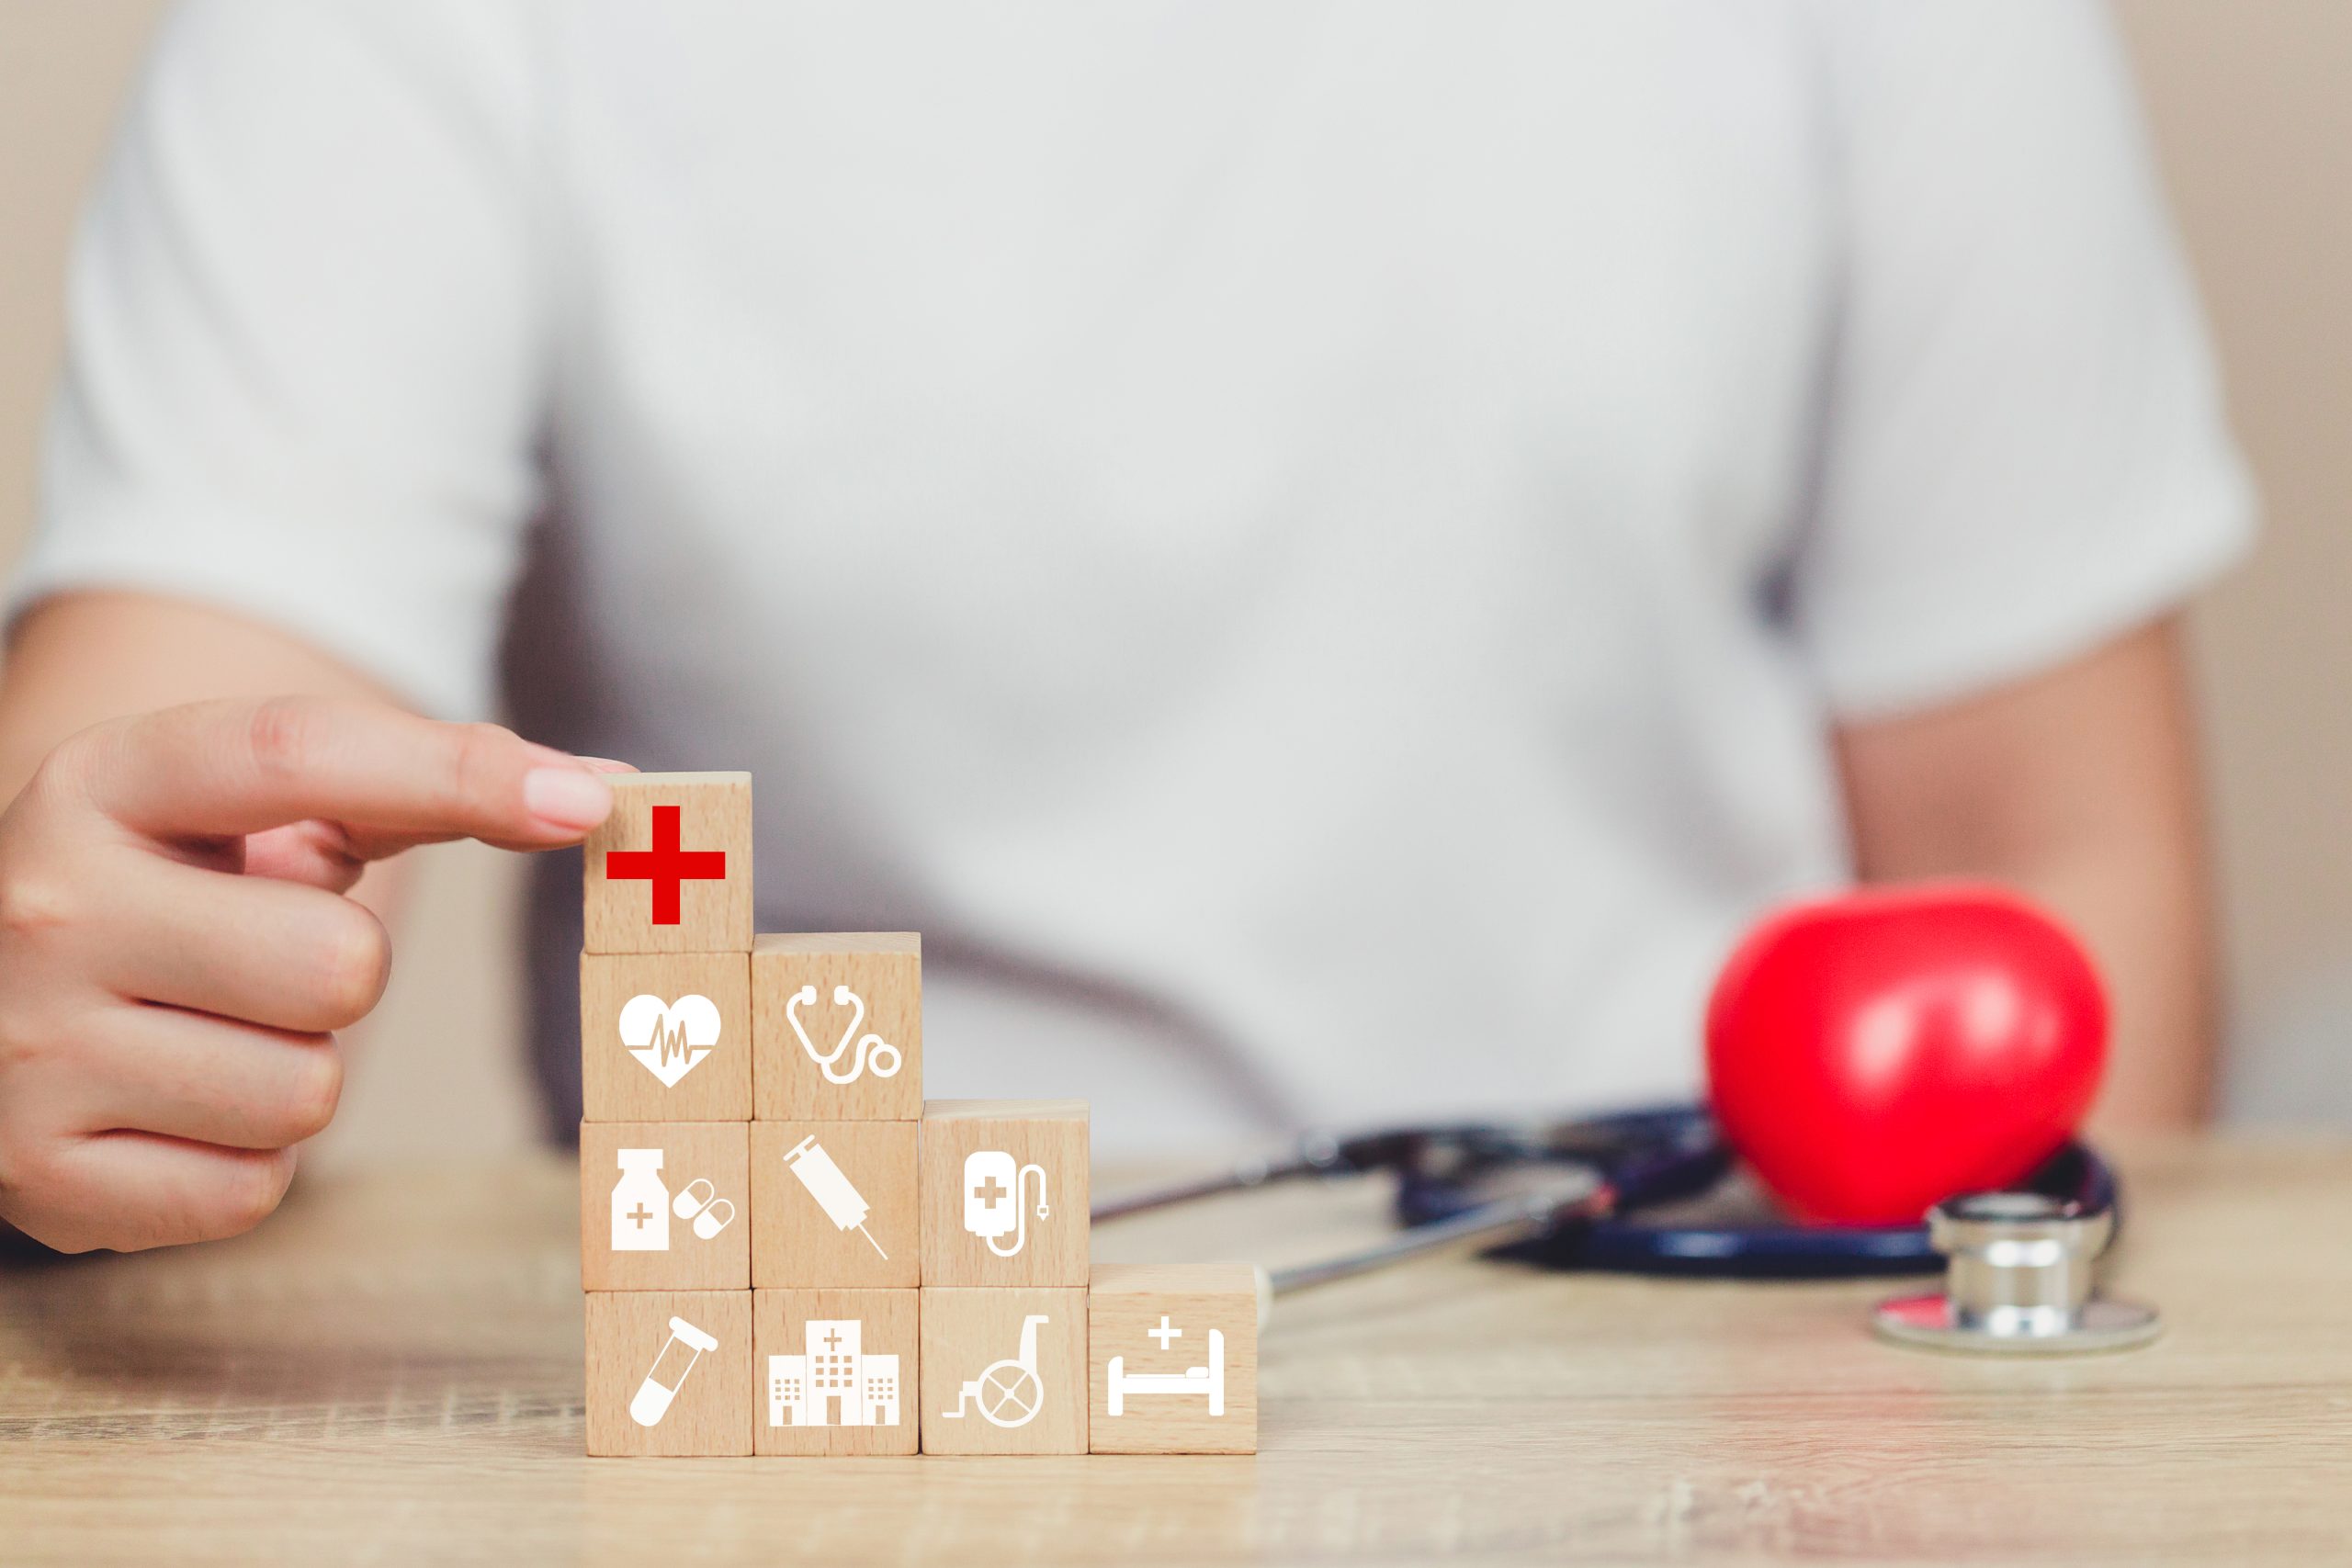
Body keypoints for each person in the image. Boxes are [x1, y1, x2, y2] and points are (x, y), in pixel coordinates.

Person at [0, 1, 2251, 1254]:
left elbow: (2053, 877)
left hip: (1681, 1327)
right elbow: (165, 738)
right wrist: (93, 941)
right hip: (828, 1383)